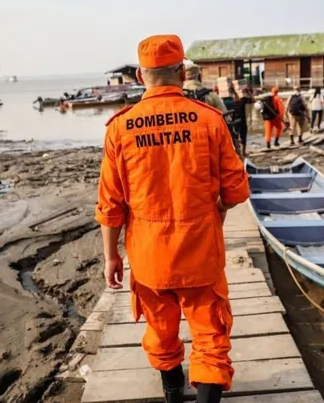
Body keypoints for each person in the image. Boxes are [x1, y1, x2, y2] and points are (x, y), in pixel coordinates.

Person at [96, 34, 250, 403]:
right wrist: (216, 216)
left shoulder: (120, 127)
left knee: (161, 331)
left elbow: (110, 203)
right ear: (181, 72)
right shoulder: (210, 121)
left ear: (139, 74)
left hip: (149, 256)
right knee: (210, 335)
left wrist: (111, 256)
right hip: (200, 251)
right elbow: (235, 189)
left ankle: (172, 394)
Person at [232, 86, 252, 157]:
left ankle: (239, 152)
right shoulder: (242, 101)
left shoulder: (232, 102)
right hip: (242, 121)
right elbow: (252, 100)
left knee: (236, 137)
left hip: (235, 122)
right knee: (242, 137)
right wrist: (248, 92)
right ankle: (242, 153)